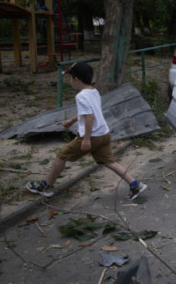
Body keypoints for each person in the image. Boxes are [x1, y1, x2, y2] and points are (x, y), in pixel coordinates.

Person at [26, 63, 147, 200]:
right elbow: (89, 112)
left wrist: (86, 139)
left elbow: (90, 116)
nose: (70, 81)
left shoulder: (81, 96)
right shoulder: (93, 92)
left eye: (70, 78)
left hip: (92, 137)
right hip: (104, 134)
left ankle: (46, 186)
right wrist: (72, 120)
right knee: (109, 162)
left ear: (76, 80)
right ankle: (135, 184)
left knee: (61, 155)